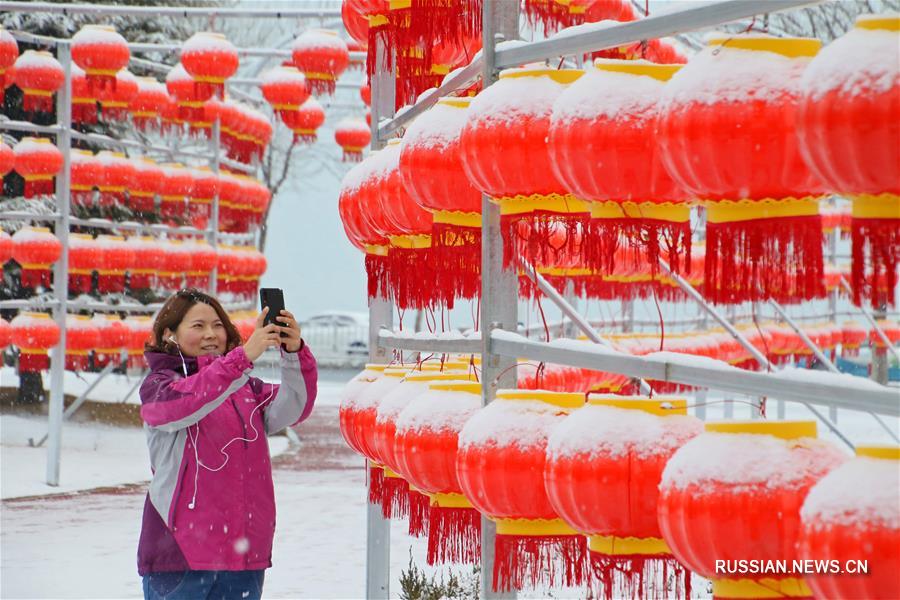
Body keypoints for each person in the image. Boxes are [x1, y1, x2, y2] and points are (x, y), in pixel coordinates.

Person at [137, 288, 317, 600]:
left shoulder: (245, 389)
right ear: (170, 334)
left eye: (218, 325)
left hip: (243, 556)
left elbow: (295, 405)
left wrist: (293, 352)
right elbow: (184, 404)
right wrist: (241, 360)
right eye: (198, 326)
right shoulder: (160, 386)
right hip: (179, 558)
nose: (211, 334)